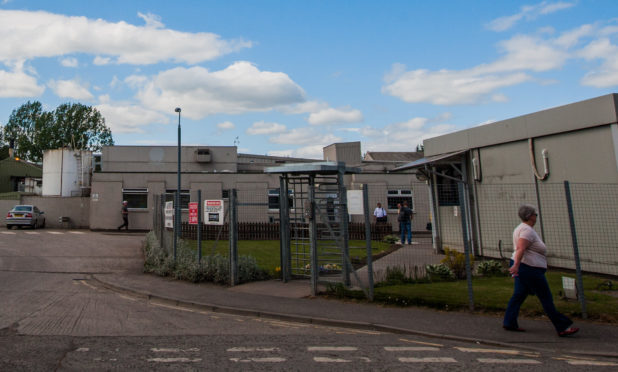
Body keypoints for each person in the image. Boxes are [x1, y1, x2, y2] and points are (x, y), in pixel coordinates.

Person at [503, 204, 579, 337]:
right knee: (545, 297)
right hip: (529, 269)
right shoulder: (527, 231)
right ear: (530, 216)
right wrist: (516, 265)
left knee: (519, 294)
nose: (536, 216)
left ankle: (509, 321)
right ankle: (562, 326)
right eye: (535, 214)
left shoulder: (521, 228)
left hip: (525, 267)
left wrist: (516, 265)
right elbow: (521, 248)